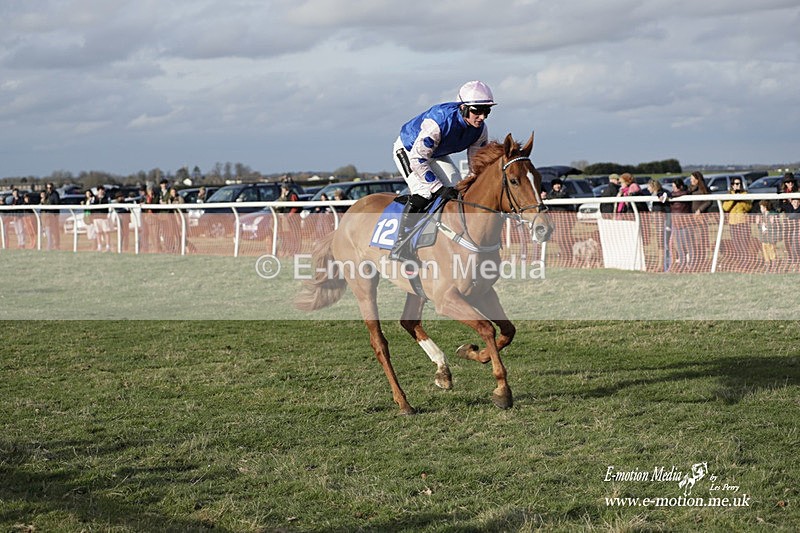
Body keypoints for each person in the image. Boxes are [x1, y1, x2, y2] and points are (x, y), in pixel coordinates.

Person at [389, 80, 495, 261]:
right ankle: (400, 245)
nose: (482, 117)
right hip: (409, 151)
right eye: (477, 111)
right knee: (424, 192)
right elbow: (417, 159)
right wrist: (438, 188)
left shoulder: (480, 130)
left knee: (457, 190)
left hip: (435, 153)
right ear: (463, 108)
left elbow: (475, 167)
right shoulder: (439, 122)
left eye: (487, 111)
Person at [721, 177, 753, 271]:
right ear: (732, 185)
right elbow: (725, 208)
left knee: (744, 244)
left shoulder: (745, 194)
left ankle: (745, 263)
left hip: (743, 223)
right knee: (736, 244)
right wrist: (733, 199)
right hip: (733, 223)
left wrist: (740, 200)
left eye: (738, 184)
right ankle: (740, 262)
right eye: (734, 184)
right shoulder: (729, 195)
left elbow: (748, 207)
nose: (736, 186)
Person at [647, 179, 671, 270]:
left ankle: (662, 264)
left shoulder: (661, 193)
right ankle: (660, 264)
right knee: (659, 242)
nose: (648, 188)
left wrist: (661, 196)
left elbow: (665, 194)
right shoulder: (653, 195)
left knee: (662, 242)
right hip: (656, 221)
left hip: (662, 221)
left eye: (649, 186)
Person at [669, 178, 692, 271]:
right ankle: (682, 265)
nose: (673, 189)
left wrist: (669, 195)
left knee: (688, 246)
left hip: (685, 224)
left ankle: (691, 265)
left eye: (675, 187)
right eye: (673, 187)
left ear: (681, 187)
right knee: (679, 246)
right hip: (676, 224)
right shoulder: (672, 195)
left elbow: (681, 193)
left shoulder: (685, 193)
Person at [756, 200, 780, 272]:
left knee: (771, 250)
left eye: (761, 207)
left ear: (765, 207)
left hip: (770, 237)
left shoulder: (771, 215)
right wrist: (758, 223)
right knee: (765, 251)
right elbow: (760, 227)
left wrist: (770, 225)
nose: (760, 209)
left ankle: (774, 265)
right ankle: (767, 264)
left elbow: (774, 226)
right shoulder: (761, 216)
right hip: (763, 238)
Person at [782, 196, 800, 270]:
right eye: (794, 202)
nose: (796, 203)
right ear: (791, 202)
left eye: (798, 202)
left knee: (795, 246)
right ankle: (794, 262)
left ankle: (796, 263)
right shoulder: (789, 209)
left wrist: (789, 218)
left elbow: (792, 216)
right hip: (790, 231)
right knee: (790, 245)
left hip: (797, 231)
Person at [43, 182, 61, 250]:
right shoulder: (46, 194)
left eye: (50, 188)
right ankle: (49, 245)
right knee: (48, 231)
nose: (49, 189)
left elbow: (57, 204)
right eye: (47, 188)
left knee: (55, 231)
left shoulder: (55, 194)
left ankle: (56, 245)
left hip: (54, 215)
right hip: (47, 216)